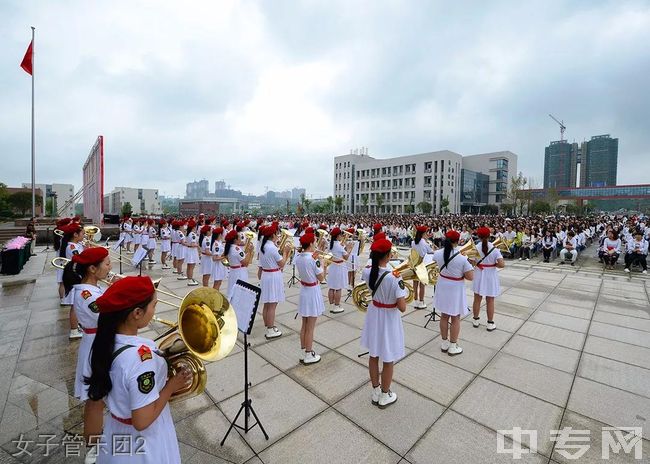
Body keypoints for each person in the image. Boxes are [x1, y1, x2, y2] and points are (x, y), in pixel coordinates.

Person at [83, 276, 191, 464]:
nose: (154, 310)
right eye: (154, 305)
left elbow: (93, 408)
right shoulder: (141, 360)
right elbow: (142, 421)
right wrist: (171, 386)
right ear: (137, 313)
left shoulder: (100, 346)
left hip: (115, 430)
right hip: (144, 444)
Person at [360, 238, 407, 409]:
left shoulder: (367, 272)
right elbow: (402, 307)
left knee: (374, 354)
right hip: (388, 317)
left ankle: (375, 389)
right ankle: (385, 394)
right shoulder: (394, 277)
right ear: (387, 256)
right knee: (388, 358)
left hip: (374, 314)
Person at [62, 247, 111, 403]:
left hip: (98, 339)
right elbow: (106, 315)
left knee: (99, 390)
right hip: (95, 343)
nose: (110, 268)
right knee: (95, 395)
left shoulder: (92, 289)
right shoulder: (86, 295)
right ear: (92, 269)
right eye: (107, 264)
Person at [432, 230, 474, 356]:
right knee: (455, 317)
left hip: (443, 285)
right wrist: (470, 264)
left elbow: (436, 261)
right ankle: (453, 345)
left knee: (444, 315)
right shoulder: (462, 258)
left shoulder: (438, 253)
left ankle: (444, 343)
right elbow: (470, 277)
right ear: (458, 241)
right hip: (455, 287)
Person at [294, 233, 325, 364]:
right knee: (310, 326)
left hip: (304, 290)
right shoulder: (313, 259)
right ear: (311, 244)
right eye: (314, 242)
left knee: (304, 324)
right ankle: (308, 353)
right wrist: (322, 264)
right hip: (312, 291)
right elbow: (321, 278)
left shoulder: (299, 257)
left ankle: (304, 349)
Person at [257, 224, 292, 340]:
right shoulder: (272, 248)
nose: (278, 236)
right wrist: (287, 252)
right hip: (272, 276)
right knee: (272, 304)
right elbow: (282, 264)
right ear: (272, 235)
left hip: (267, 275)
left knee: (267, 303)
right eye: (277, 234)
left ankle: (268, 324)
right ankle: (271, 329)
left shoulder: (264, 246)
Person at [471, 227, 505, 331]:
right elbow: (502, 264)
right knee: (490, 300)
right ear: (489, 236)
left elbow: (471, 262)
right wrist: (492, 264)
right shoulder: (495, 249)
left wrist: (478, 264)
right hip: (491, 275)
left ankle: (476, 320)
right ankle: (490, 323)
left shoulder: (475, 247)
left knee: (477, 299)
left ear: (478, 237)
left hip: (479, 274)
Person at [58, 222, 85, 339]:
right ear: (75, 234)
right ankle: (74, 330)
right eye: (82, 234)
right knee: (75, 305)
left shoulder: (76, 245)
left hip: (77, 274)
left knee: (78, 304)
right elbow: (79, 259)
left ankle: (77, 325)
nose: (84, 236)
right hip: (74, 276)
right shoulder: (72, 247)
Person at [327, 228, 354, 314]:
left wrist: (344, 247)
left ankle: (331, 305)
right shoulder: (338, 245)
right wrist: (349, 249)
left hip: (332, 266)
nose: (342, 236)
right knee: (338, 288)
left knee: (331, 287)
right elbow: (346, 257)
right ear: (338, 236)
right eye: (341, 235)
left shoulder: (330, 244)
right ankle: (336, 306)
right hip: (339, 266)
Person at [225, 229, 253, 300]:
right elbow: (246, 263)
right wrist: (250, 251)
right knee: (240, 293)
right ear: (235, 239)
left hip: (233, 271)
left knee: (232, 291)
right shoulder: (237, 249)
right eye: (239, 237)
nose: (241, 238)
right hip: (240, 273)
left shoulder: (230, 247)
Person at [411, 225, 434, 309]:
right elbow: (431, 252)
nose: (427, 234)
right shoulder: (425, 242)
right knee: (422, 284)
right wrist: (432, 247)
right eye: (426, 233)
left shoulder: (413, 242)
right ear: (423, 233)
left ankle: (416, 301)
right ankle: (421, 302)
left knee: (415, 284)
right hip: (422, 264)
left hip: (415, 264)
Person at [183, 220, 200, 286]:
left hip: (189, 251)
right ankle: (190, 279)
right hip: (192, 251)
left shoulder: (189, 233)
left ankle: (189, 278)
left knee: (189, 266)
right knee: (191, 267)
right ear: (194, 227)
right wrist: (198, 246)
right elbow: (193, 244)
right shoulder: (192, 234)